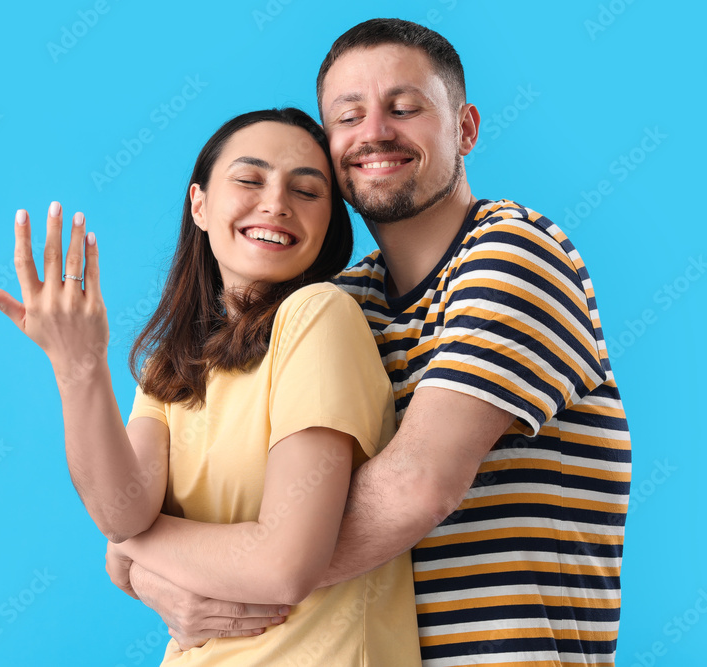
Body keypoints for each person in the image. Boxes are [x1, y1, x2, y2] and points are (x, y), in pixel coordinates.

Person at [109, 18, 632, 667]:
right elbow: (157, 503)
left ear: (466, 128)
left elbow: (416, 485)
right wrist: (144, 566)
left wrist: (218, 567)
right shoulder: (333, 307)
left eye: (404, 108)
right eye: (347, 117)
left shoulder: (513, 255)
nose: (375, 132)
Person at [0, 108, 422, 665]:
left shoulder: (317, 315)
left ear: (329, 224)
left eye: (307, 191)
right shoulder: (173, 364)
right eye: (250, 179)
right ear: (200, 205)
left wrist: (130, 553)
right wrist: (78, 364)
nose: (276, 202)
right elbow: (121, 510)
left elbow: (283, 567)